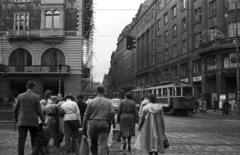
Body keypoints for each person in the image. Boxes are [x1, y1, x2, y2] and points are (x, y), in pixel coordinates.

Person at [13, 80, 45, 155]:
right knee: (33, 139)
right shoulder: (36, 97)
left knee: (21, 140)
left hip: (22, 120)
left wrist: (16, 118)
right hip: (33, 121)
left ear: (26, 86)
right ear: (33, 87)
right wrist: (43, 121)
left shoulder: (20, 96)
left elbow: (15, 109)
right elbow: (39, 111)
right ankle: (34, 153)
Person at [82, 85, 115, 155]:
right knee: (102, 143)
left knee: (93, 142)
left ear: (96, 91)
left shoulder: (91, 102)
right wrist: (113, 123)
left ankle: (94, 153)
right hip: (104, 123)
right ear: (104, 92)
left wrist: (84, 127)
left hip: (93, 123)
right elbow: (112, 114)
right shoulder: (108, 102)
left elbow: (86, 116)